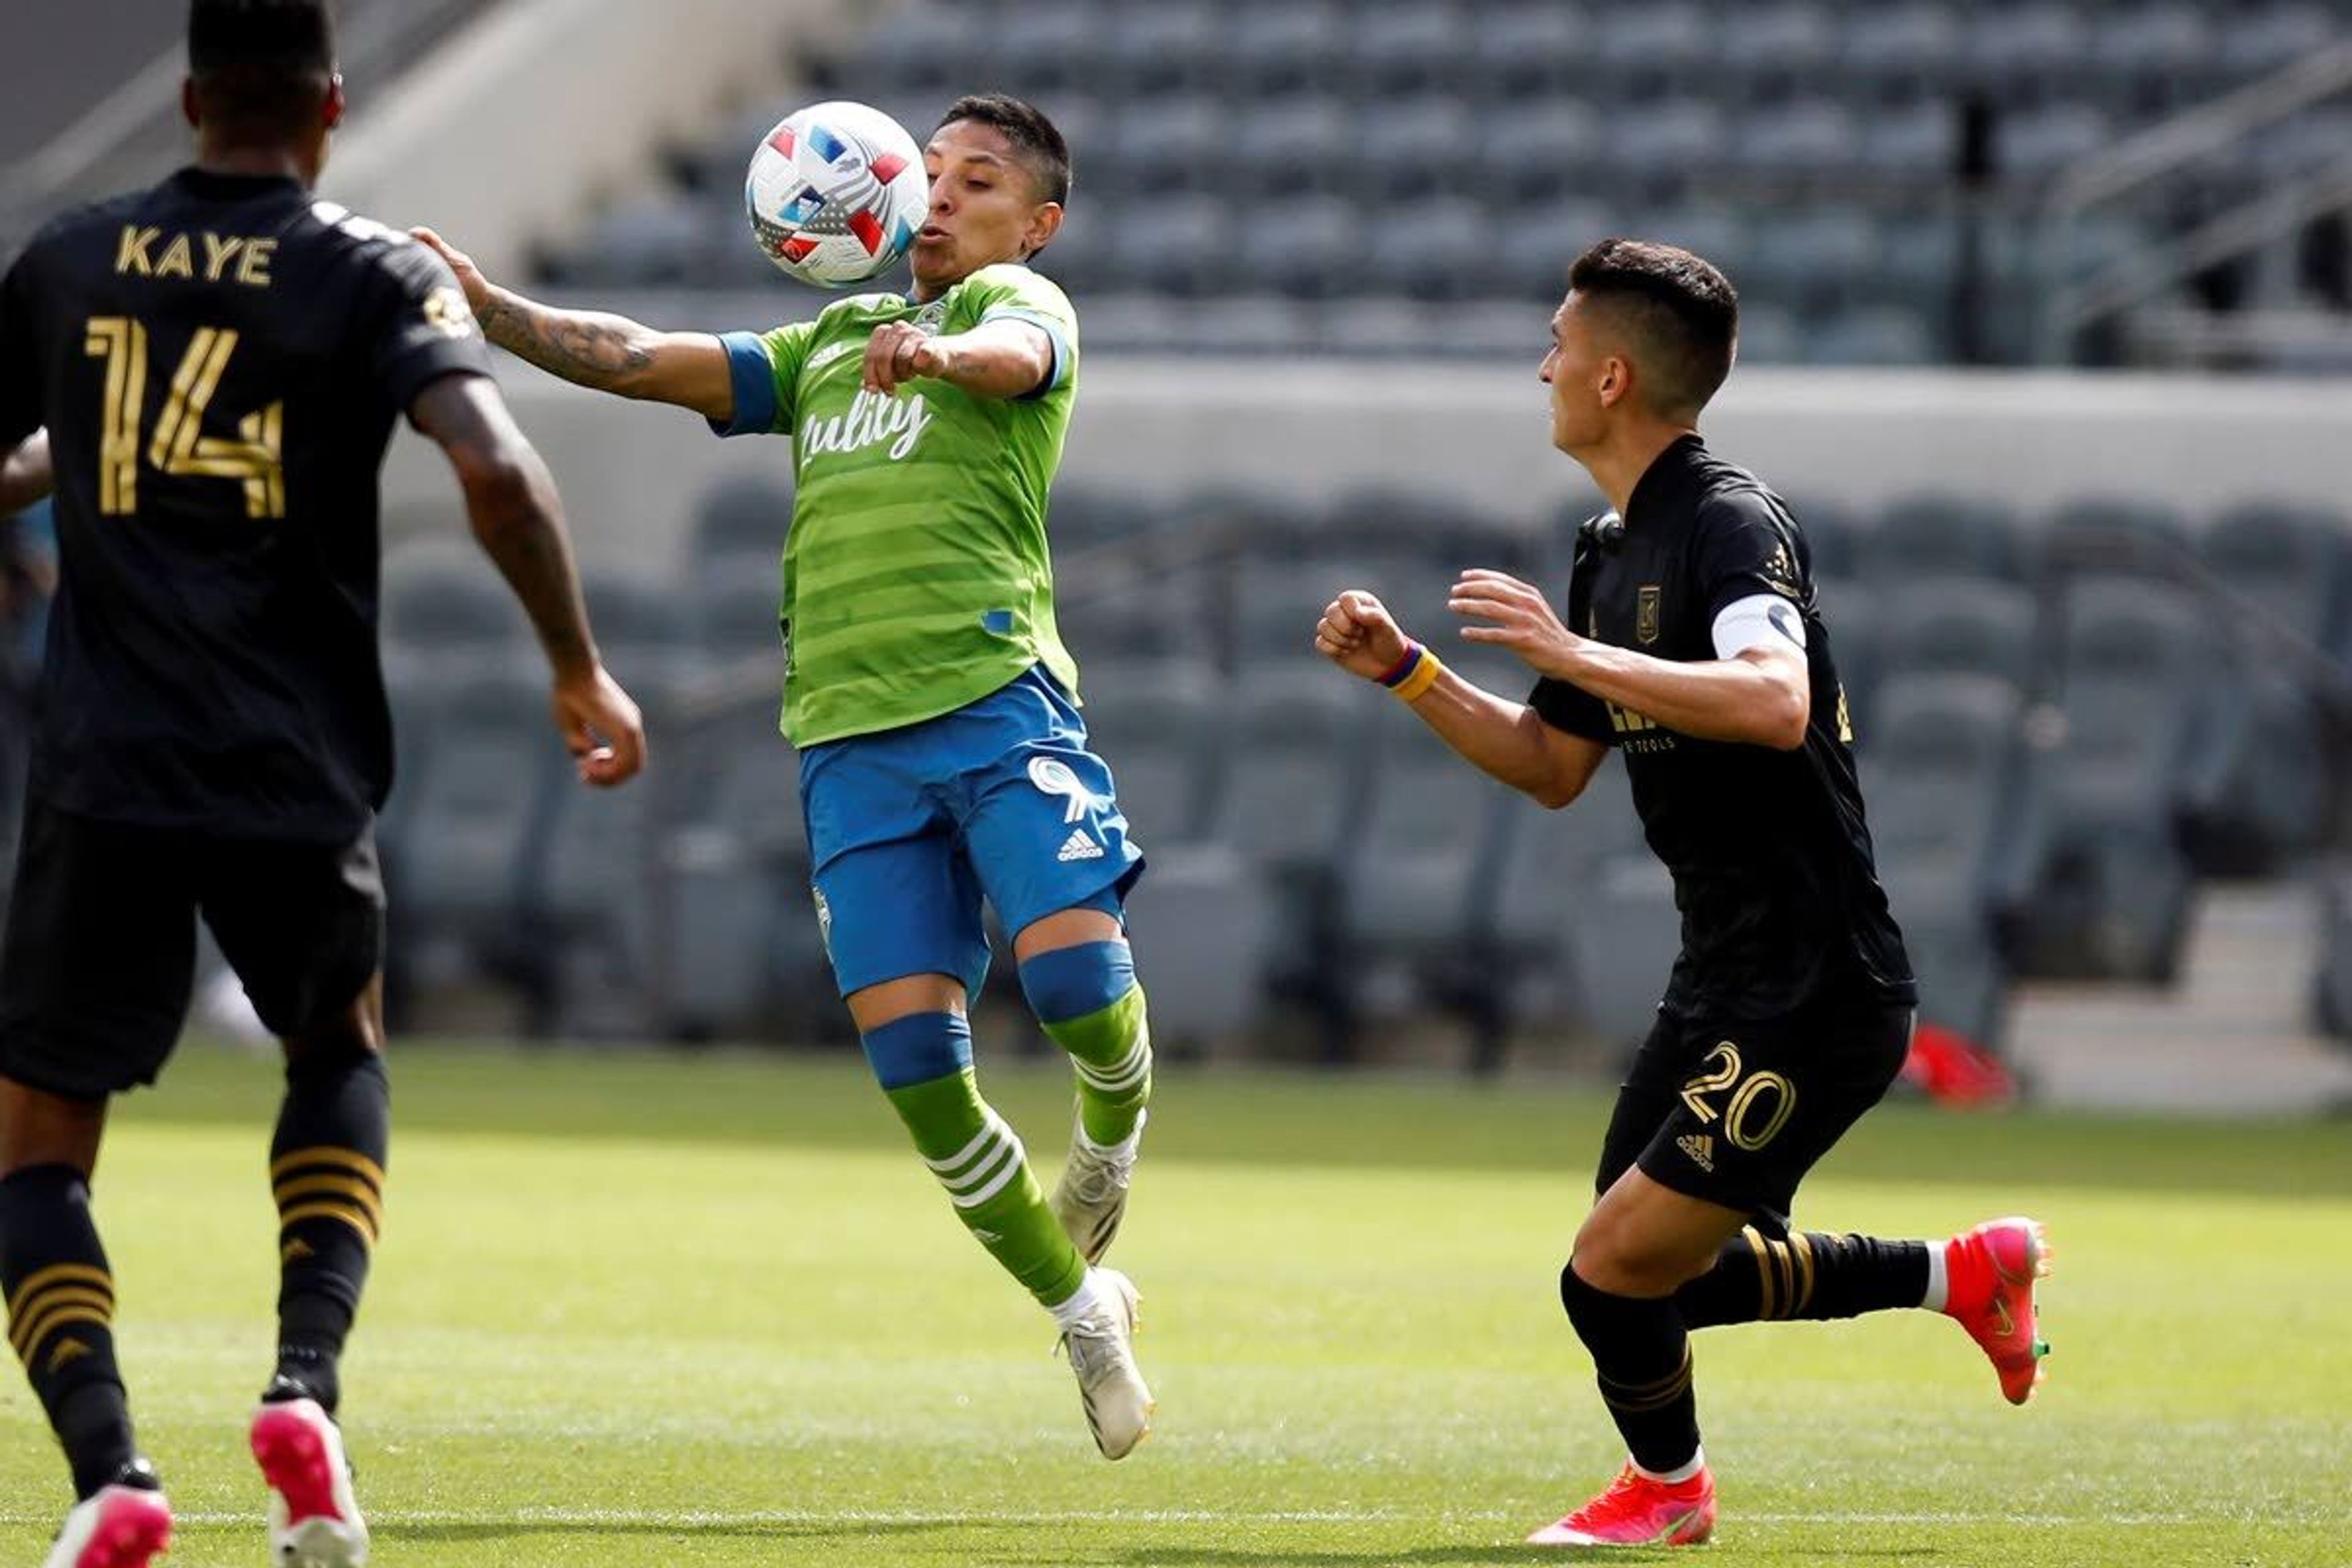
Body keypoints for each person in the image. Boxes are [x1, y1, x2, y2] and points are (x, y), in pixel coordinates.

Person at [412, 91, 1157, 1459]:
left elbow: (1005, 355)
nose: (936, 196)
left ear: (1035, 226)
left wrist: (936, 360)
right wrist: (492, 309)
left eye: (976, 182)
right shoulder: (827, 345)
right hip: (848, 741)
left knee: (1069, 988)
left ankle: (1113, 1124)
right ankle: (1079, 1303)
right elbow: (641, 357)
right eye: (927, 172)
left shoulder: (1020, 313)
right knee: (922, 1079)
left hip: (998, 707)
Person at [0, 2, 647, 1564]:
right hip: (292, 766)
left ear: (187, 98)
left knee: (35, 1145)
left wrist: (63, 480)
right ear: (333, 110)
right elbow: (496, 467)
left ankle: (112, 1474)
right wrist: (574, 659)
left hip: (104, 766)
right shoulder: (369, 269)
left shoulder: (73, 255)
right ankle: (305, 1390)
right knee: (334, 1049)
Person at [1315, 238, 2049, 1549]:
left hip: (1817, 982)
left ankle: (1671, 1494)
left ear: (1608, 376)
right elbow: (1552, 767)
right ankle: (1964, 1272)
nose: (1539, 365)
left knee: (1612, 1270)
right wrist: (1410, 672)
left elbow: (1775, 703)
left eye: (1555, 343)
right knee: (1650, 1279)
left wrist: (1571, 645)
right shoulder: (1608, 547)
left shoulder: (1728, 520)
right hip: (1722, 971)